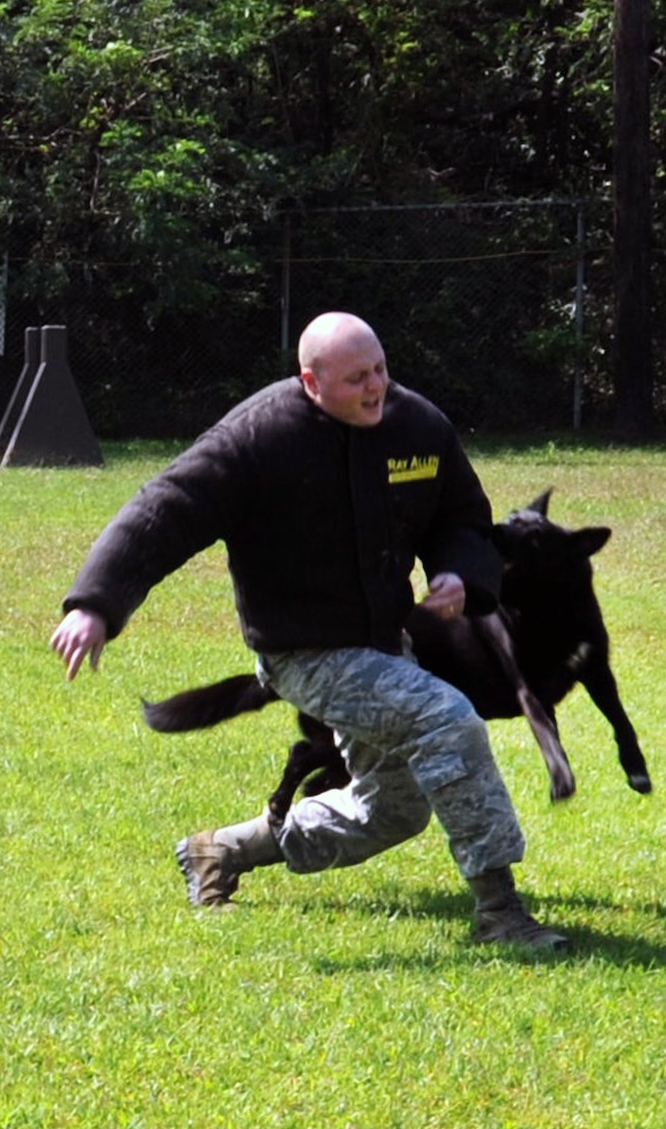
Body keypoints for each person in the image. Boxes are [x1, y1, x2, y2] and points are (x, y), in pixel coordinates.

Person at [48, 311, 567, 950]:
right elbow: (164, 512)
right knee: (447, 717)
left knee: (395, 811)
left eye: (380, 370)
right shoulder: (257, 438)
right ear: (311, 382)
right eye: (357, 379)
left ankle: (220, 851)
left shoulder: (416, 425)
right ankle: (501, 914)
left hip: (383, 644)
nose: (376, 388)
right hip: (302, 653)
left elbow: (460, 514)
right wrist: (95, 604)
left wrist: (458, 571)